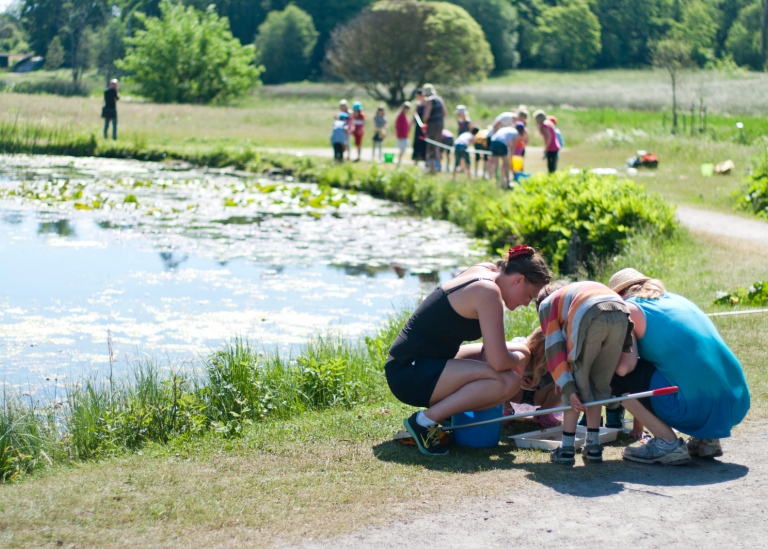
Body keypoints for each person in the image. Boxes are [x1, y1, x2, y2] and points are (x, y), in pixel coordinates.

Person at [387, 245, 552, 455]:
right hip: (409, 373)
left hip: (417, 363)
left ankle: (449, 414)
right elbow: (498, 362)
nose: (527, 303)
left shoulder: (486, 270)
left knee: (512, 360)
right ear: (518, 280)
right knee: (508, 380)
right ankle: (424, 422)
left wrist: (518, 355)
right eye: (529, 295)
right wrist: (521, 357)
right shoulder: (488, 292)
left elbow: (491, 352)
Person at [608, 268, 750, 464]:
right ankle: (706, 439)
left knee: (613, 374)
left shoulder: (628, 310)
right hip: (734, 402)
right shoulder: (677, 300)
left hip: (692, 408)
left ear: (617, 296)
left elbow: (625, 368)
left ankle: (666, 443)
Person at [537, 280, 636, 464]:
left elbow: (554, 348)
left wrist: (566, 384)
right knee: (598, 382)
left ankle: (566, 448)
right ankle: (593, 446)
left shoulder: (546, 305)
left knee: (577, 383)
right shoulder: (571, 294)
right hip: (620, 311)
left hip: (589, 311)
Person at [421, 83, 447, 173]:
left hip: (432, 125)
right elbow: (445, 113)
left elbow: (426, 115)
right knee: (438, 145)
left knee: (431, 145)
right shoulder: (439, 99)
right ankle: (439, 166)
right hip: (440, 124)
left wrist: (424, 121)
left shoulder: (429, 100)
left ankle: (432, 168)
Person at [411, 89, 427, 165]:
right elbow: (414, 115)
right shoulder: (418, 104)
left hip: (425, 126)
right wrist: (410, 125)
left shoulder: (427, 103)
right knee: (417, 142)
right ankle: (416, 160)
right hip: (418, 127)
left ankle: (426, 160)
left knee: (425, 142)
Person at [394, 101, 411, 166]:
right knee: (402, 150)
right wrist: (400, 135)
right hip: (401, 136)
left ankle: (400, 161)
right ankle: (399, 161)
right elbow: (398, 126)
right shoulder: (400, 116)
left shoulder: (405, 116)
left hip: (405, 136)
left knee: (404, 150)